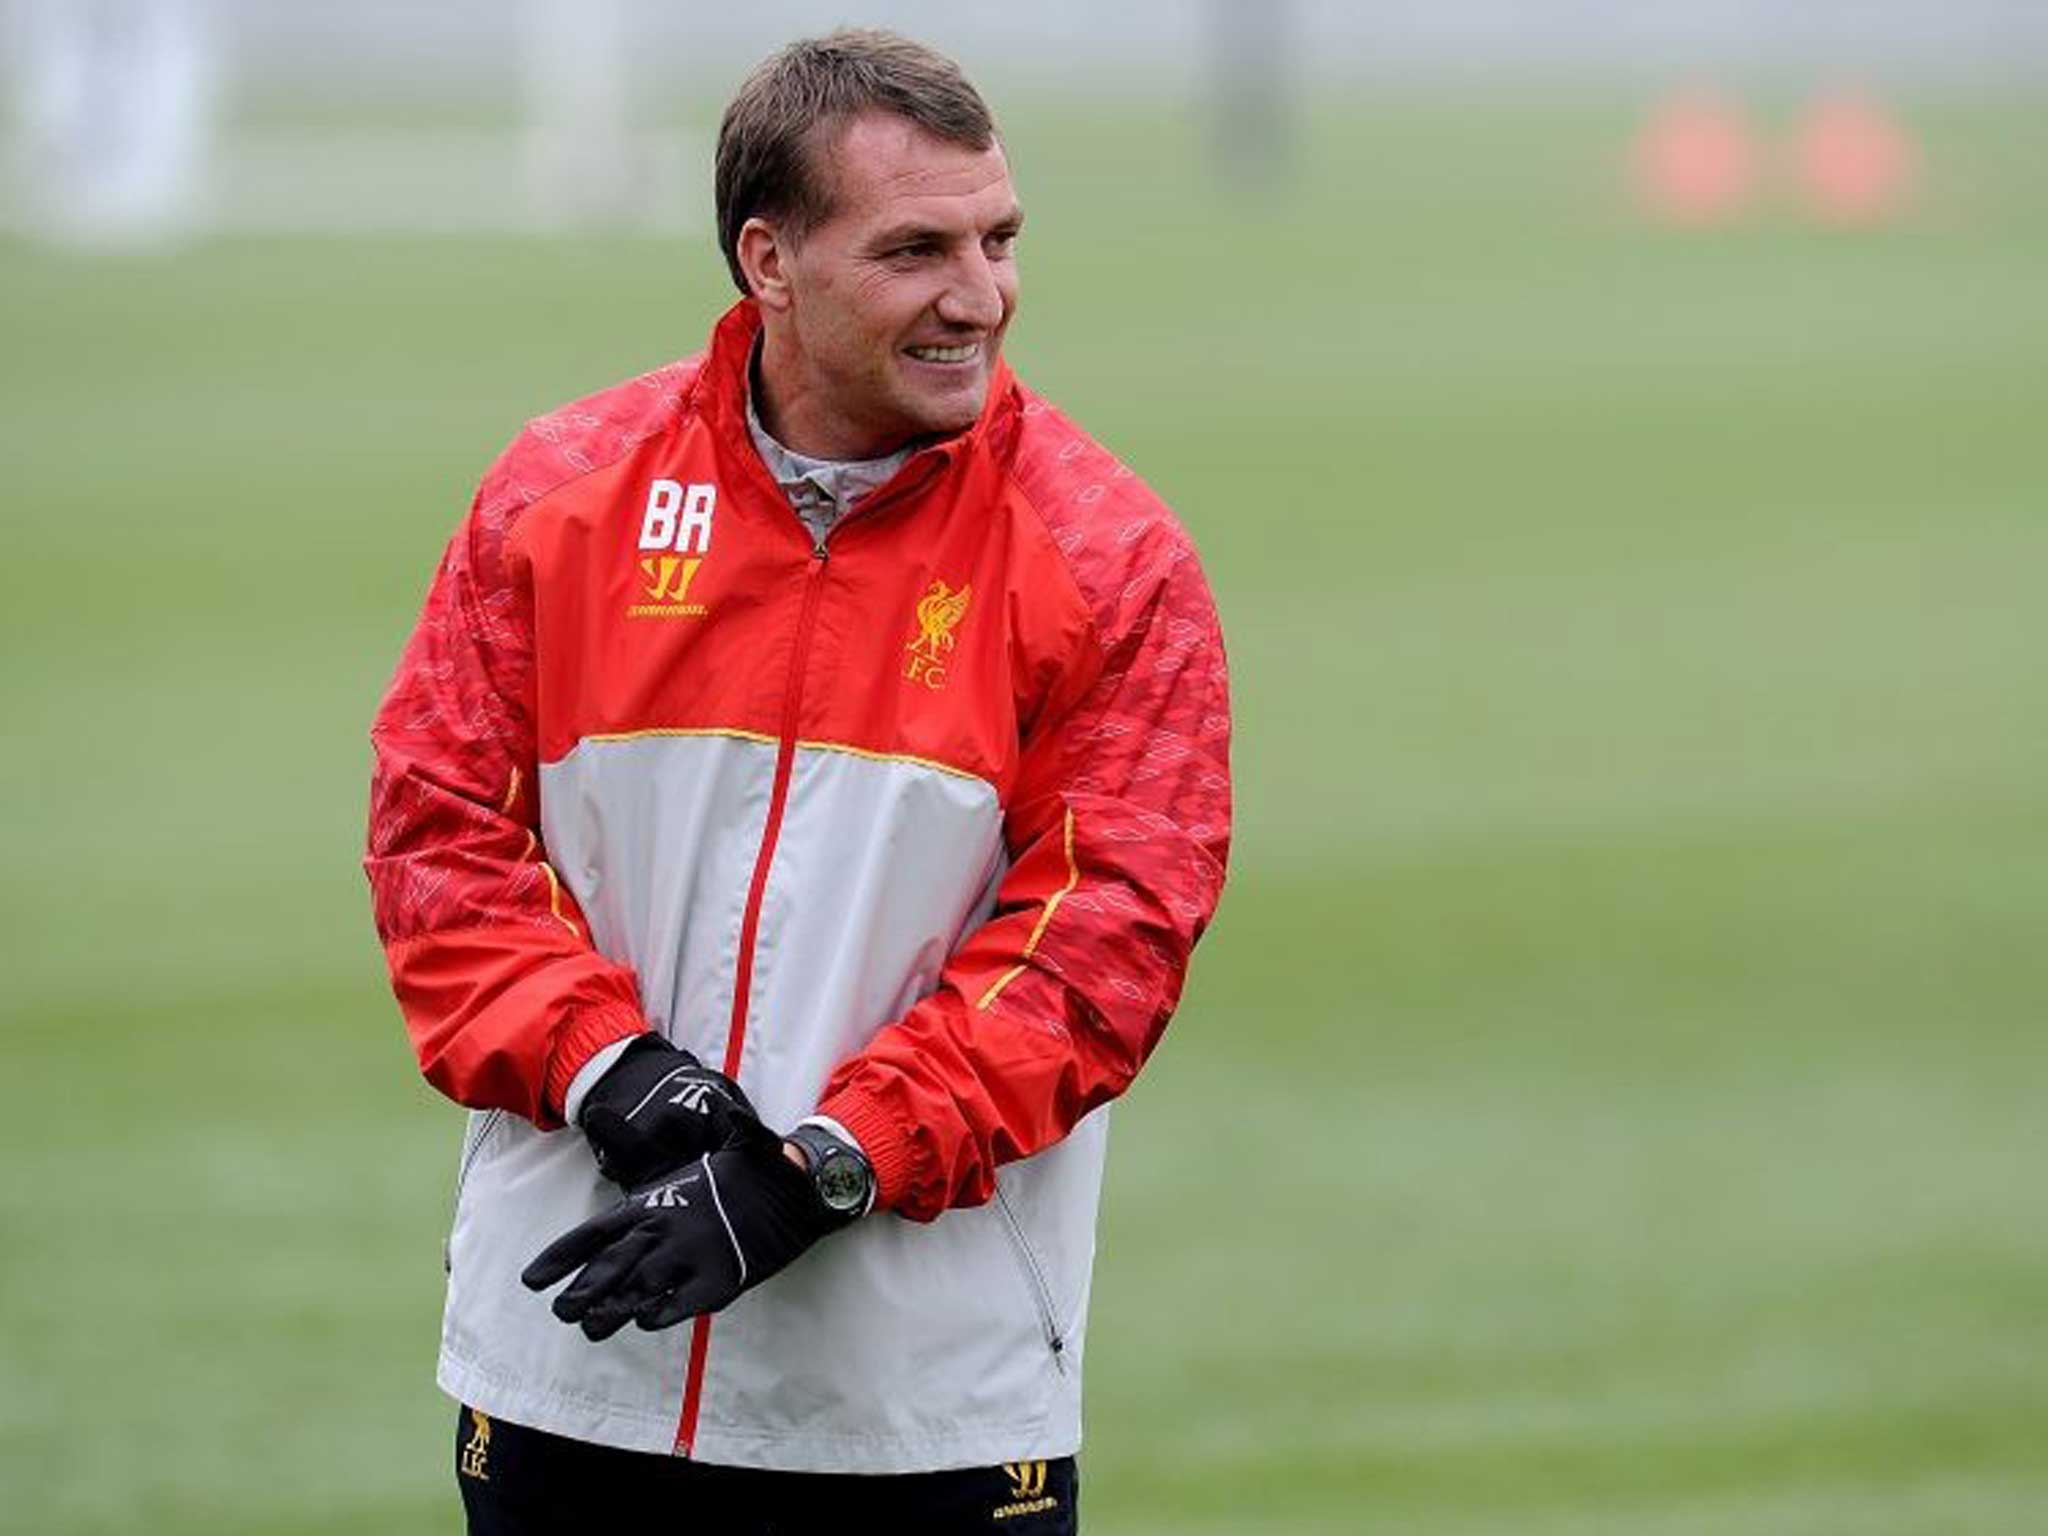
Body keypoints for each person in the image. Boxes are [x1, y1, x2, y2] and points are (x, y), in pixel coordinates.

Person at [364, 28, 1231, 1534]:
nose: (980, 295)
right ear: (769, 261)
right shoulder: (559, 498)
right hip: (572, 1380)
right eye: (915, 250)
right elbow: (434, 835)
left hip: (919, 1409)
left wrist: (820, 1168)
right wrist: (612, 1073)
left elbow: (1108, 939)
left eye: (998, 238)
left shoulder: (1109, 558)